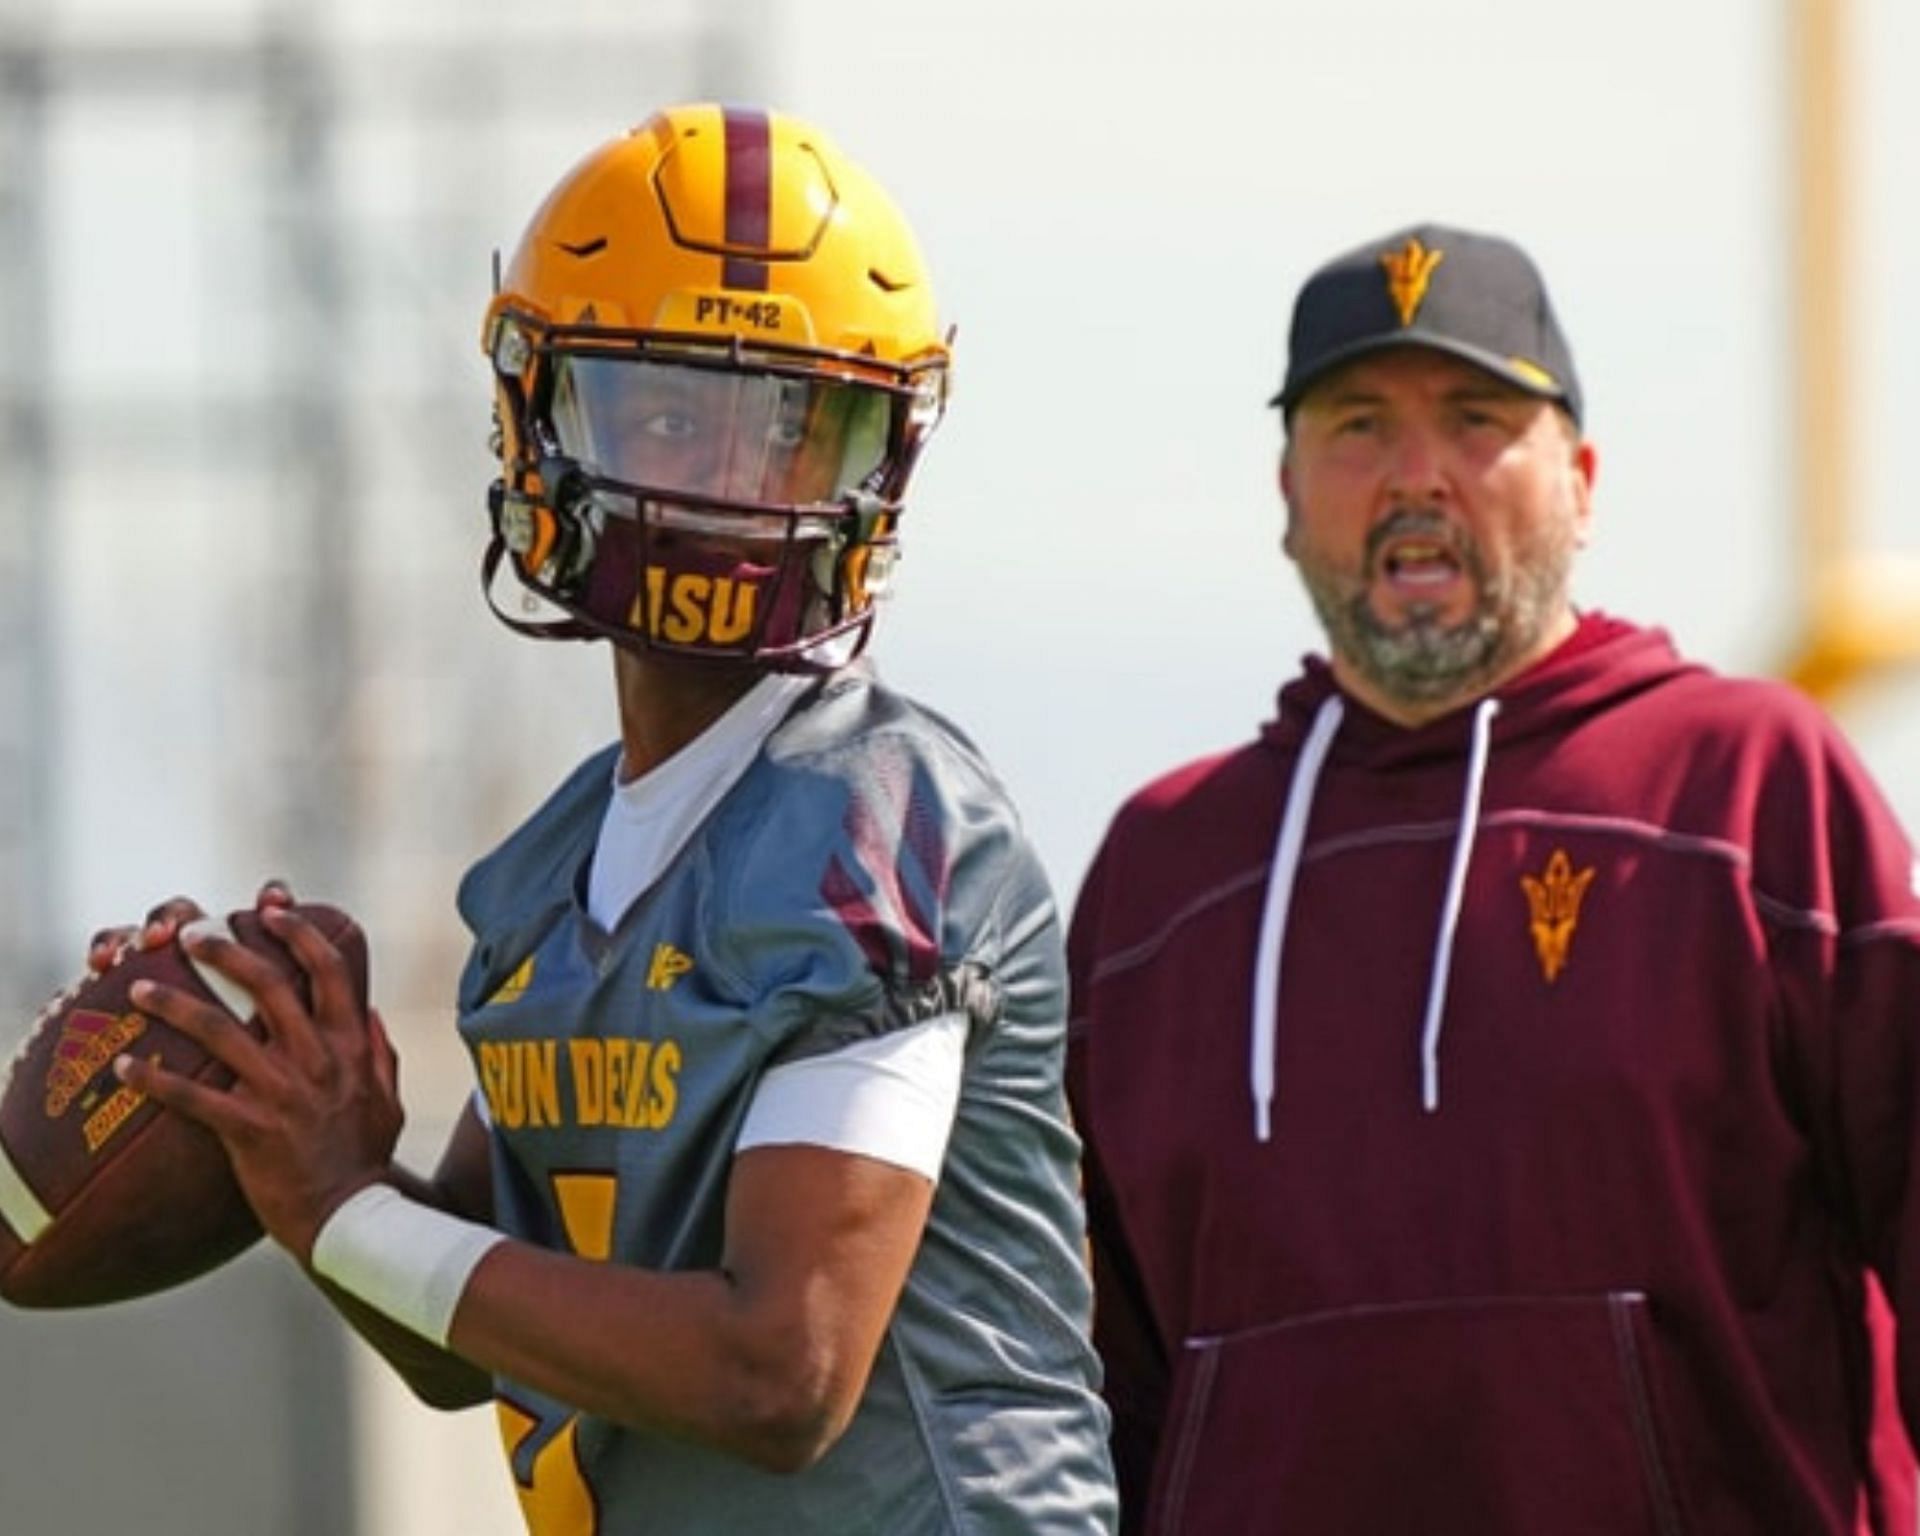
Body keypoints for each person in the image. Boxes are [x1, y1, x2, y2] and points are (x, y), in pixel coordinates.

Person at [100, 103, 1117, 1534]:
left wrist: (349, 1211)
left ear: (875, 461)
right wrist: (282, 1134)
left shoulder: (882, 828)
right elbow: (470, 1334)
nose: (716, 484)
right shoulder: (547, 875)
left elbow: (784, 1372)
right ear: (537, 413)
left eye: (784, 429)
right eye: (665, 413)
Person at [1065, 222, 1920, 1534]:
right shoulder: (1161, 882)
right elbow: (1079, 1384)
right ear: (1287, 495)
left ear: (1580, 481)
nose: (1418, 477)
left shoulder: (1751, 787)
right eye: (1358, 425)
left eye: (1476, 420)